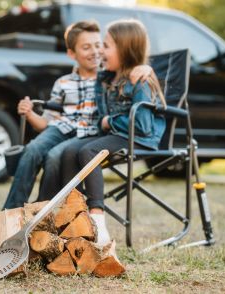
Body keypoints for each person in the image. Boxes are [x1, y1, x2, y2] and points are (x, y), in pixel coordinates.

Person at [3, 20, 152, 210]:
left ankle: (41, 209)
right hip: (61, 128)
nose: (95, 51)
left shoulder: (108, 77)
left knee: (55, 156)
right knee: (32, 149)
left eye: (99, 45)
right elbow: (45, 124)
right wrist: (30, 113)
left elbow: (132, 67)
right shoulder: (63, 82)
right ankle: (12, 210)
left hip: (90, 133)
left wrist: (146, 68)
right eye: (86, 47)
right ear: (72, 53)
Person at [61, 19, 166, 246]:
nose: (100, 51)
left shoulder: (140, 79)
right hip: (119, 135)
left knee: (89, 151)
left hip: (140, 139)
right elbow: (101, 119)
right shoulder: (106, 78)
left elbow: (142, 125)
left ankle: (97, 221)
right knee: (70, 151)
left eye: (106, 46)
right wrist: (105, 123)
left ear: (125, 49)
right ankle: (73, 218)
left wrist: (110, 121)